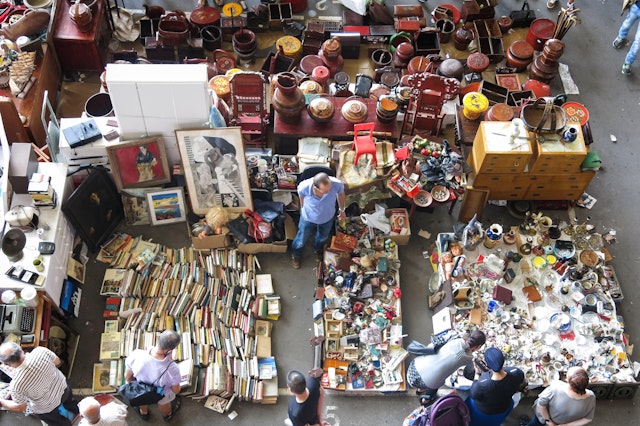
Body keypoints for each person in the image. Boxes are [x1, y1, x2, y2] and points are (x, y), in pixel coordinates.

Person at [0, 341, 79, 426]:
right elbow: (58, 362)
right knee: (72, 404)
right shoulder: (40, 351)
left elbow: (21, 407)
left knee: (57, 422)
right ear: (20, 348)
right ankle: (79, 415)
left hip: (47, 408)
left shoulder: (16, 386)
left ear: (6, 364)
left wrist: (1, 402)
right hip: (64, 389)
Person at [407, 330, 486, 405]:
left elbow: (434, 342)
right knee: (437, 381)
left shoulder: (454, 338)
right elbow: (468, 373)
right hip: (426, 382)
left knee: (432, 372)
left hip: (413, 369)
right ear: (478, 347)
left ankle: (420, 389)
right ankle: (426, 399)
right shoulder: (469, 358)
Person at [291, 172, 346, 269]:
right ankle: (296, 255)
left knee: (322, 237)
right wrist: (303, 208)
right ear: (316, 188)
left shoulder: (336, 183)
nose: (328, 192)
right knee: (301, 239)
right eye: (325, 191)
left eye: (329, 189)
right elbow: (301, 197)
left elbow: (340, 194)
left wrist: (342, 210)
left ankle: (317, 250)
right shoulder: (304, 187)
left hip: (327, 218)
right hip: (308, 218)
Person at [124, 330, 182, 422]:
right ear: (170, 350)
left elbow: (128, 377)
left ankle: (144, 414)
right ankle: (167, 416)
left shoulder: (136, 354)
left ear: (158, 339)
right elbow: (176, 390)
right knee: (164, 403)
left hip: (142, 390)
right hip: (161, 393)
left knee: (143, 400)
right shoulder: (172, 368)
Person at [467, 347, 526, 426]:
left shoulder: (484, 382)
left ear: (487, 366)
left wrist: (477, 374)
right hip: (504, 405)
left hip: (486, 410)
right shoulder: (517, 372)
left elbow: (473, 394)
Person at [527, 366, 596, 426]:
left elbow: (541, 405)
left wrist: (548, 421)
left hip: (546, 419)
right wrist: (566, 425)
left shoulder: (555, 387)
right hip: (564, 422)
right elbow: (588, 419)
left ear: (568, 381)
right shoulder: (591, 396)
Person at [614, 1, 640, 75]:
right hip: (636, 6)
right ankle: (621, 36)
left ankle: (628, 63)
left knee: (638, 42)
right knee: (627, 24)